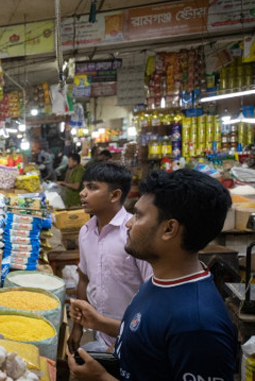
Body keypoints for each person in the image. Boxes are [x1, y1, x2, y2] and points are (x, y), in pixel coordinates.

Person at [68, 169, 236, 381]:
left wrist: (102, 378)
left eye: (138, 216)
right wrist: (99, 323)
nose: (129, 223)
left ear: (169, 229)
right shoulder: (158, 283)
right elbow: (147, 336)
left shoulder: (198, 326)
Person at [68, 163, 152, 354]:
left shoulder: (134, 232)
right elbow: (84, 278)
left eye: (92, 187)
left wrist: (125, 336)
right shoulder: (86, 231)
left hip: (137, 336)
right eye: (84, 187)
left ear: (114, 195)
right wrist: (78, 327)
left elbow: (152, 291)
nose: (82, 193)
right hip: (101, 333)